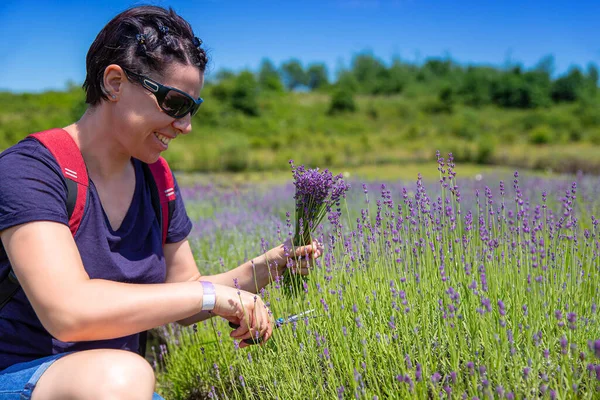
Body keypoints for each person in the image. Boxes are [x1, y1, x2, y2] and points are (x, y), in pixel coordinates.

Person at [0, 5, 322, 400]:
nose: (185, 126)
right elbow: (68, 313)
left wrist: (265, 269)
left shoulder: (157, 178)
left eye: (193, 109)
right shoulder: (31, 170)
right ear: (115, 83)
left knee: (125, 377)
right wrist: (213, 296)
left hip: (120, 387)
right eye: (175, 103)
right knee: (122, 374)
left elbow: (185, 295)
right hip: (24, 377)